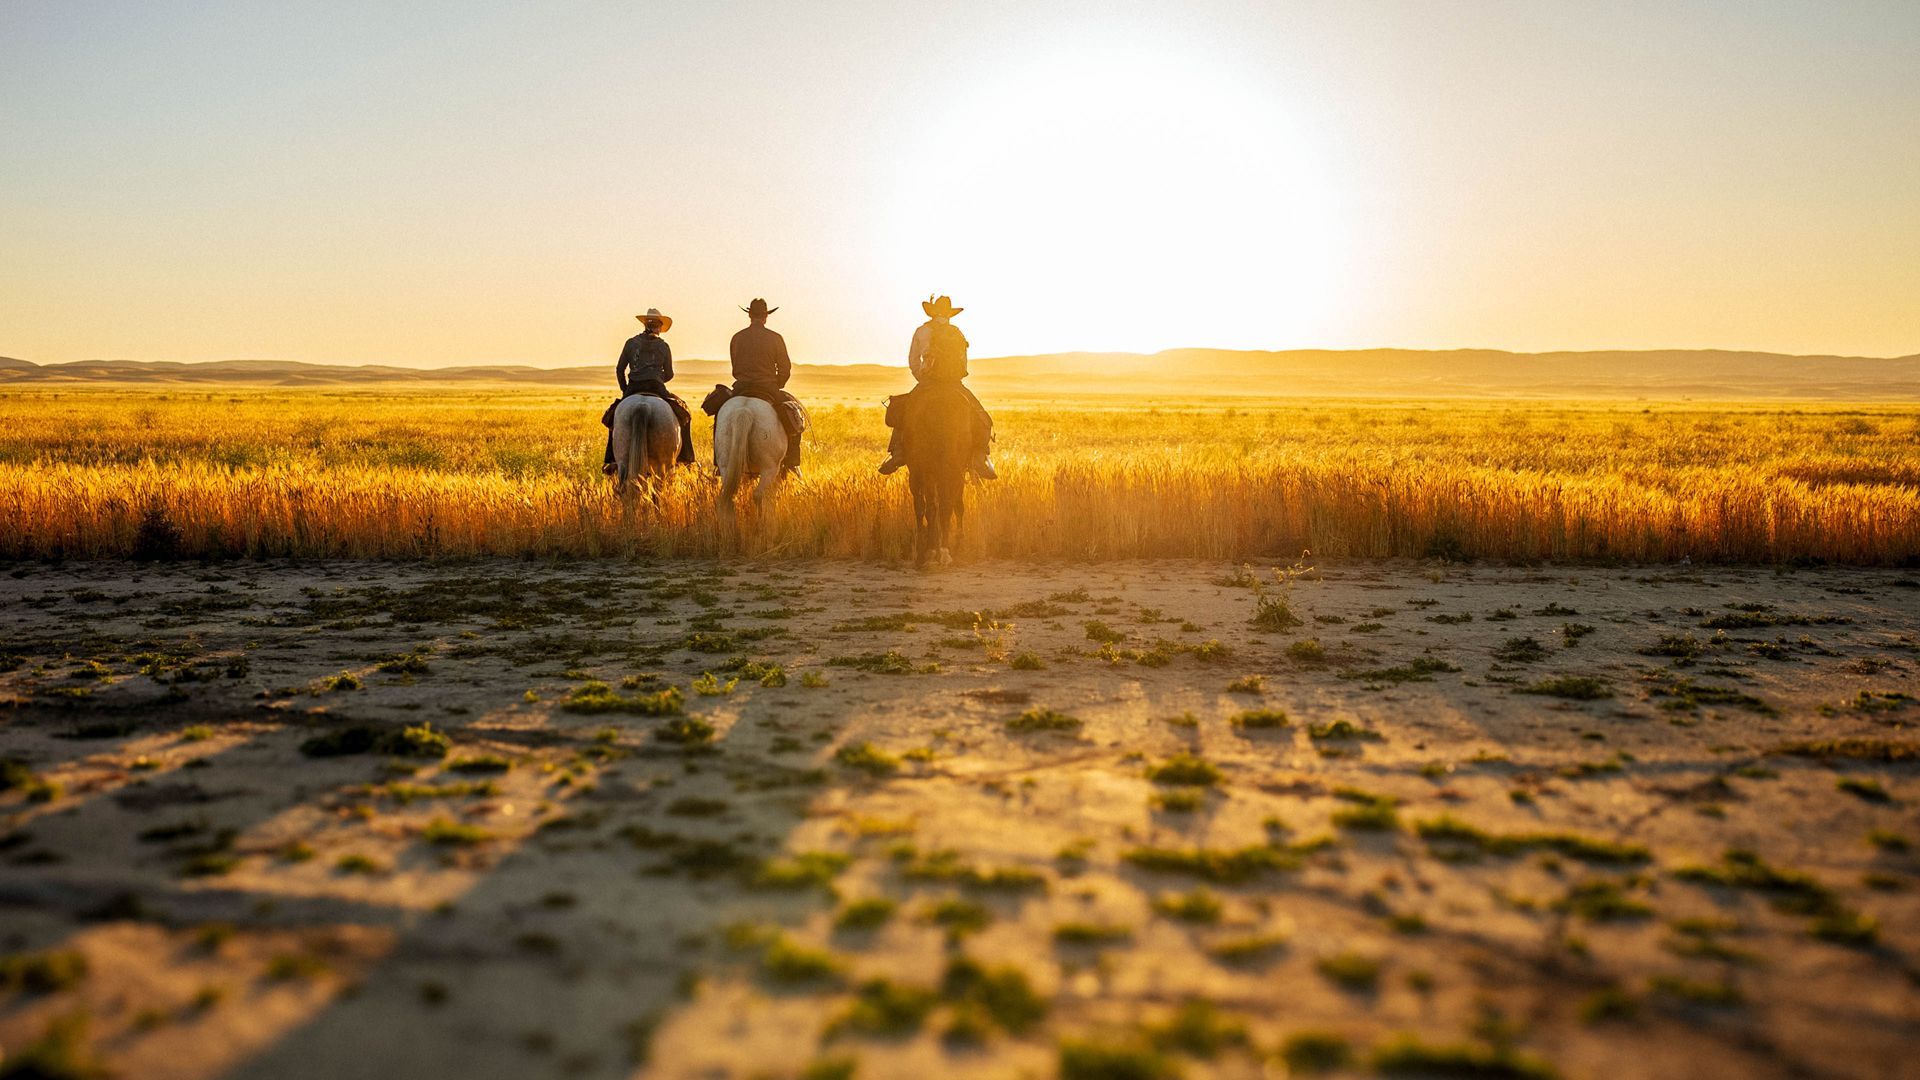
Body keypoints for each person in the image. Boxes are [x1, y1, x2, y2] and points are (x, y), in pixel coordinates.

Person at [878, 295, 995, 479]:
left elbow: (913, 359)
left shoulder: (922, 331)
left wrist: (922, 378)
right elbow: (963, 362)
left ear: (932, 313)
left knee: (904, 413)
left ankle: (897, 452)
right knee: (981, 416)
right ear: (949, 314)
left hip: (927, 383)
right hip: (954, 384)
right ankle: (980, 456)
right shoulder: (957, 332)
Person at [602, 307, 695, 472]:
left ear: (645, 324)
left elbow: (619, 369)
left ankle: (612, 460)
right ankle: (686, 458)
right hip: (657, 387)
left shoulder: (630, 343)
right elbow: (670, 373)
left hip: (633, 387)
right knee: (684, 414)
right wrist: (658, 379)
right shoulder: (663, 346)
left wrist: (626, 390)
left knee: (613, 417)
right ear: (659, 326)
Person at [727, 298, 806, 473]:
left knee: (721, 414)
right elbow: (785, 367)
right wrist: (777, 383)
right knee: (793, 416)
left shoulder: (737, 337)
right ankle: (792, 462)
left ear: (749, 315)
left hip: (741, 387)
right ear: (765, 317)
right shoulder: (775, 338)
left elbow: (735, 366)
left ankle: (720, 462)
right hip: (768, 386)